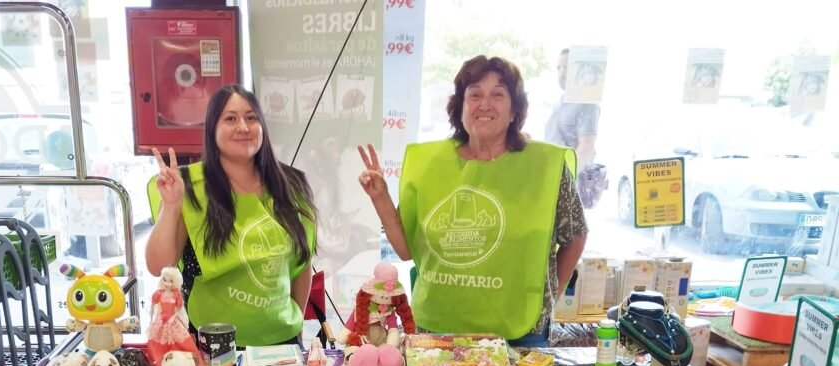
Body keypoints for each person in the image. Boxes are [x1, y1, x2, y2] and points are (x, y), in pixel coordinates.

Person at [357, 55, 587, 345]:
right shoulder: (431, 165)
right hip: (439, 330)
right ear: (460, 107)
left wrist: (548, 293)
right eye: (474, 94)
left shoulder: (544, 167)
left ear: (515, 110)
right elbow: (405, 249)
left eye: (498, 95)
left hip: (519, 331)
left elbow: (575, 235)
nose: (484, 104)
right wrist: (381, 198)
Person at [145, 84, 317, 348]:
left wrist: (295, 325)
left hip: (283, 341)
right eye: (230, 119)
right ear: (212, 129)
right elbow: (158, 265)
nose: (243, 127)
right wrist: (171, 206)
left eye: (251, 118)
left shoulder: (292, 184)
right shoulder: (189, 184)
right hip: (213, 342)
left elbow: (300, 266)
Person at [545, 48, 600, 170]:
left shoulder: (586, 103)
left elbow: (587, 146)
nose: (562, 73)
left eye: (566, 68)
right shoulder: (559, 103)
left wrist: (565, 179)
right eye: (559, 68)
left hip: (569, 181)